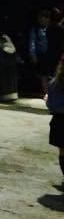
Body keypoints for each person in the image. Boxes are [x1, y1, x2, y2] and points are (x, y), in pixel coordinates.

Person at [46, 54, 64, 186]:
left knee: (63, 152)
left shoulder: (53, 83)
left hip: (59, 121)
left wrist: (47, 100)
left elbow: (51, 105)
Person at [30, 10, 54, 96]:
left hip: (52, 54)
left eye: (46, 17)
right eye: (41, 17)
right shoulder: (35, 29)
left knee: (52, 75)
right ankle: (46, 93)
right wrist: (33, 55)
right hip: (41, 55)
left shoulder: (53, 29)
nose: (43, 19)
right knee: (43, 76)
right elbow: (32, 43)